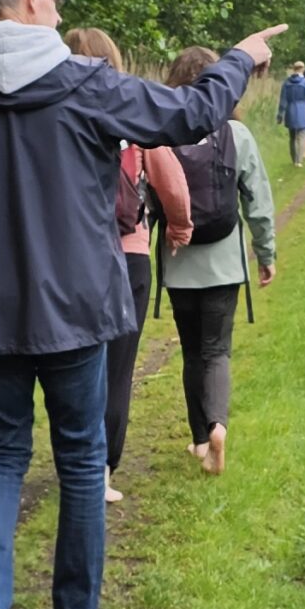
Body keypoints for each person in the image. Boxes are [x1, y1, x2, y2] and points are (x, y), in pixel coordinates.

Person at [0, 0, 283, 609]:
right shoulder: (84, 83)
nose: (58, 9)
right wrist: (240, 57)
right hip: (76, 305)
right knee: (81, 460)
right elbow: (191, 114)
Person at [66, 26, 189, 503]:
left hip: (72, 257)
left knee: (73, 365)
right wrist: (179, 228)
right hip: (128, 254)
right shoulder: (129, 114)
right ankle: (100, 471)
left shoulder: (54, 113)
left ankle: (73, 460)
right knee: (117, 368)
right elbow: (171, 184)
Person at [158, 46, 277, 476]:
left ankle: (198, 439)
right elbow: (258, 202)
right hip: (224, 263)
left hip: (178, 262)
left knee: (192, 352)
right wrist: (266, 253)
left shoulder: (161, 133)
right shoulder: (236, 134)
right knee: (216, 350)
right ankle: (218, 427)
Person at [276, 59, 305, 165]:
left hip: (290, 109)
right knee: (301, 135)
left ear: (293, 68)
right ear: (302, 69)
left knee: (292, 137)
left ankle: (294, 159)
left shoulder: (286, 83)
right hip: (303, 109)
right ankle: (299, 161)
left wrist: (280, 114)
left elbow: (283, 100)